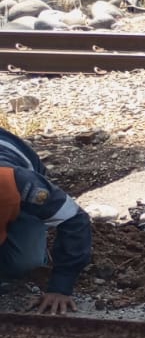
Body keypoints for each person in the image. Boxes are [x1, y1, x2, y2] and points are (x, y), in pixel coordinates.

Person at [0, 126, 92, 314]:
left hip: (17, 184)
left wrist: (60, 287)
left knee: (23, 262)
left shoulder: (19, 182)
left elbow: (74, 219)